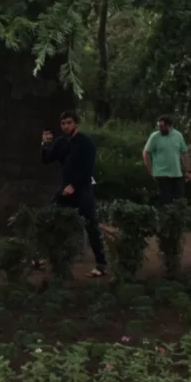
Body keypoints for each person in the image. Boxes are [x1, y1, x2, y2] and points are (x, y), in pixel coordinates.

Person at [41, 112, 108, 276]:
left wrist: (74, 185)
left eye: (69, 123)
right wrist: (44, 144)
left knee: (91, 225)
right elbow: (47, 159)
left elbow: (89, 169)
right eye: (63, 123)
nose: (65, 126)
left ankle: (101, 264)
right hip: (65, 189)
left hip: (83, 189)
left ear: (76, 124)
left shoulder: (86, 143)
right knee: (49, 218)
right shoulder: (61, 143)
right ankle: (45, 257)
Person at [142, 114, 191, 204]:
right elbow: (146, 153)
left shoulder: (178, 135)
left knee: (180, 200)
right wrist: (151, 171)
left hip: (177, 174)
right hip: (161, 174)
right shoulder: (155, 137)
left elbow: (184, 153)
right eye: (159, 126)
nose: (160, 129)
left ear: (170, 126)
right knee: (165, 201)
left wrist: (188, 170)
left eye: (162, 126)